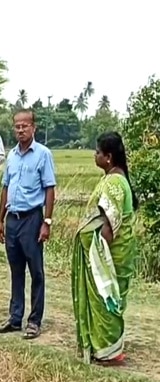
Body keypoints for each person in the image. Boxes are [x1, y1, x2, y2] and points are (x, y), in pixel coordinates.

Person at [71, 132, 138, 364]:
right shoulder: (113, 178)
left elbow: (110, 223)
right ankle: (106, 348)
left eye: (97, 152)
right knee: (106, 297)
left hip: (110, 255)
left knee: (106, 294)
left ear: (108, 157)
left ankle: (110, 352)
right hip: (109, 252)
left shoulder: (115, 183)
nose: (94, 155)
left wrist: (98, 257)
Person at [0, 110, 56, 339]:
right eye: (17, 126)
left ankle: (34, 321)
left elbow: (50, 189)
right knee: (16, 270)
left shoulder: (42, 154)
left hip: (32, 218)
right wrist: (0, 220)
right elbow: (5, 188)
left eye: (25, 126)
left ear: (33, 128)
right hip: (13, 219)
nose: (20, 130)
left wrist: (46, 222)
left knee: (36, 271)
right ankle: (15, 317)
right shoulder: (12, 156)